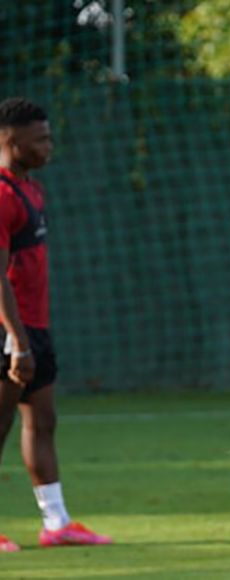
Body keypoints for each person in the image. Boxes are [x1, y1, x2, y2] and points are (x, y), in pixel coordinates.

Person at [0, 97, 111, 551]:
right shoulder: (2, 194)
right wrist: (17, 341)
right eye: (40, 138)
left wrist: (31, 338)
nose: (49, 145)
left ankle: (56, 523)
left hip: (34, 329)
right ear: (10, 140)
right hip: (11, 331)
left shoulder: (32, 188)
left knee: (41, 421)